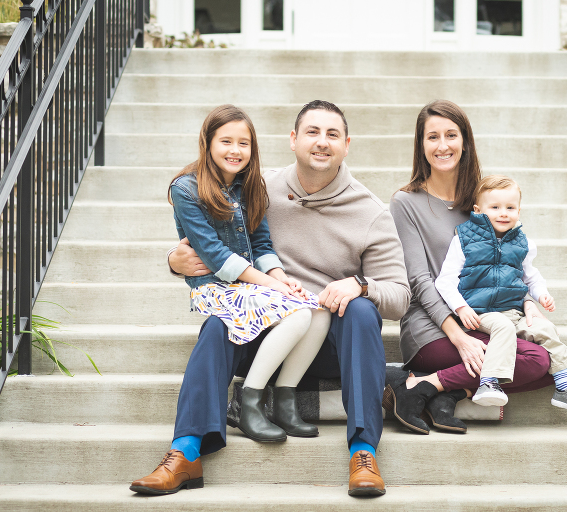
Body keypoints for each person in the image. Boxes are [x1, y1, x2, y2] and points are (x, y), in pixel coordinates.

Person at [133, 100, 410, 497]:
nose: (321, 142)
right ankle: (185, 452)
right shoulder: (255, 187)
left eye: (332, 134)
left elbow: (401, 297)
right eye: (312, 132)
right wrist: (174, 261)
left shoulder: (371, 212)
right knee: (217, 324)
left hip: (330, 341)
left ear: (347, 144)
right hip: (266, 331)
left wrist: (361, 285)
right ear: (293, 140)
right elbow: (214, 245)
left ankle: (363, 452)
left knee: (363, 312)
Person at [130, 105, 331, 495]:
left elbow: (261, 243)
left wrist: (280, 279)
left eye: (244, 143)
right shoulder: (186, 188)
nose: (236, 150)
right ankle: (197, 442)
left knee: (313, 309)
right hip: (220, 289)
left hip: (251, 286)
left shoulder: (251, 185)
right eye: (226, 141)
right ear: (207, 143)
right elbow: (212, 255)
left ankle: (278, 400)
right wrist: (265, 283)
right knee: (227, 328)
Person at [388, 99, 567, 435]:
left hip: (487, 318)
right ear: (421, 144)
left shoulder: (484, 202)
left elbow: (510, 265)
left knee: (560, 364)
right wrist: (457, 336)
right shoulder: (406, 203)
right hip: (432, 327)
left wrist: (529, 304)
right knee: (536, 361)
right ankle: (442, 383)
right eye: (432, 137)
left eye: (451, 135)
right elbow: (418, 280)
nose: (443, 145)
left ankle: (436, 388)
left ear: (465, 141)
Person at [435, 174, 567, 413]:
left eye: (510, 207)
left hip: (514, 311)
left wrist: (541, 295)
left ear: (519, 211)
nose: (503, 213)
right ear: (478, 210)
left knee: (545, 328)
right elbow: (444, 281)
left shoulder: (523, 243)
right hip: (479, 311)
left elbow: (531, 277)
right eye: (495, 207)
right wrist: (461, 307)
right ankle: (488, 382)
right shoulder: (463, 240)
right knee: (502, 326)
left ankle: (563, 387)